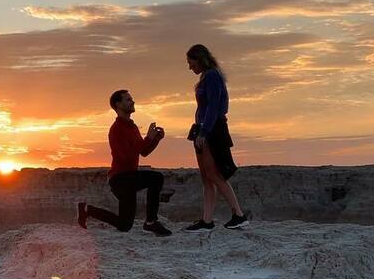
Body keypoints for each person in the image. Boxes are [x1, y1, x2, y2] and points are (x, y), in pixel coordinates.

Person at [77, 89, 173, 236]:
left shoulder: (133, 127)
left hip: (130, 178)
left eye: (131, 99)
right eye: (128, 100)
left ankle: (86, 210)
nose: (133, 102)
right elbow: (127, 157)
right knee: (156, 178)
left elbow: (143, 152)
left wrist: (156, 139)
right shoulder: (116, 130)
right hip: (120, 179)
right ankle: (151, 222)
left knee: (124, 225)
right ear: (118, 105)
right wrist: (148, 137)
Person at [184, 44, 248, 231]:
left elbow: (213, 106)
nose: (190, 67)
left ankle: (238, 214)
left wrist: (204, 132)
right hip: (203, 128)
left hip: (211, 130)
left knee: (214, 174)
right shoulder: (207, 76)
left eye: (191, 62)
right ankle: (207, 220)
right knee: (206, 177)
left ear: (200, 59)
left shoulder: (212, 76)